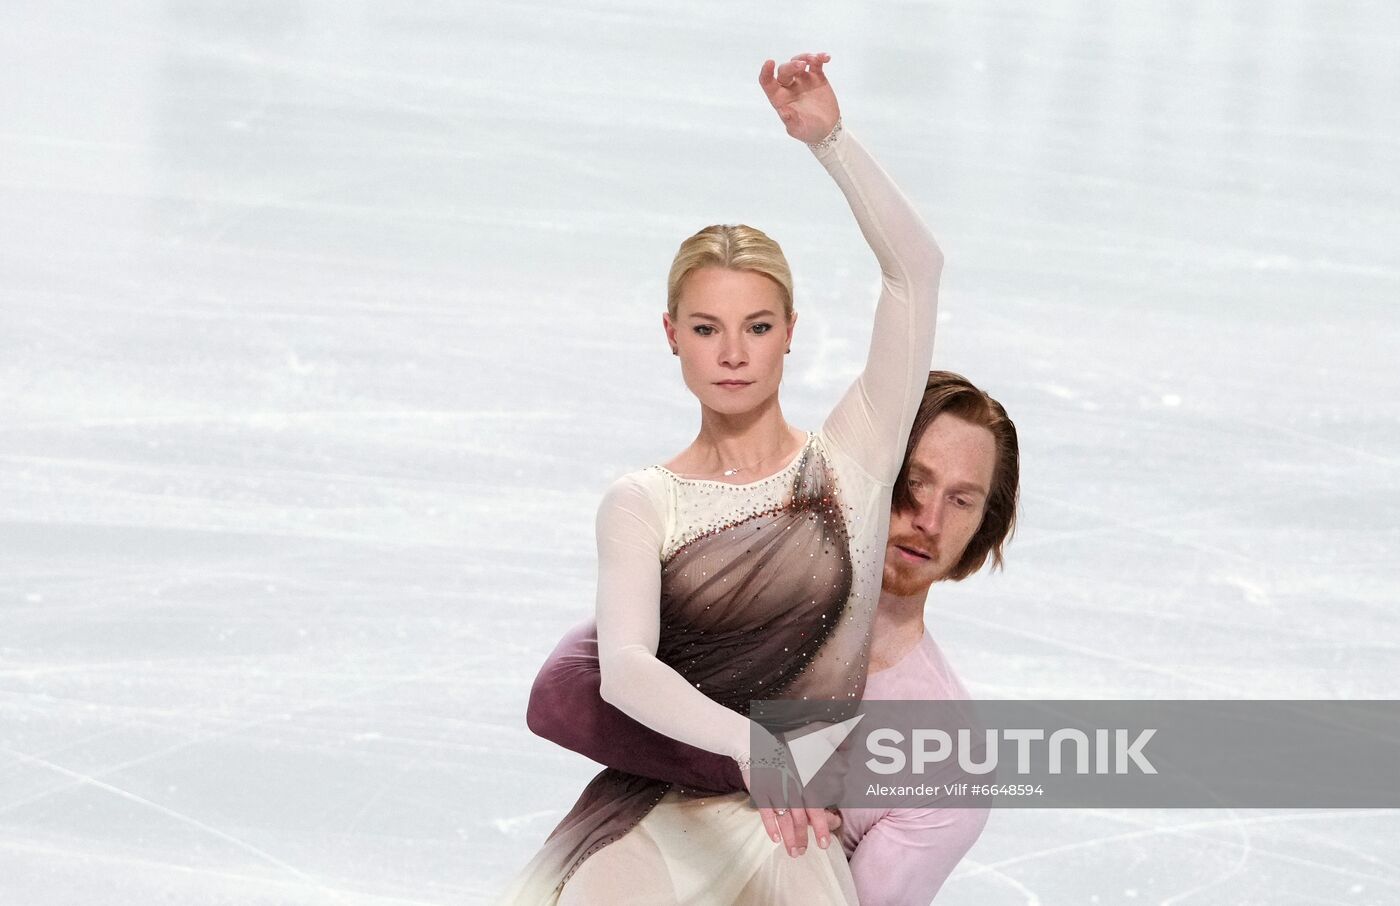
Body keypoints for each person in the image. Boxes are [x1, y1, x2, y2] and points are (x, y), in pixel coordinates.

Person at [497, 51, 943, 904]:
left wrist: (833, 142)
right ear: (672, 333)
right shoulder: (642, 502)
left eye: (757, 325)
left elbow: (915, 272)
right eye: (707, 328)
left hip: (789, 831)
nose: (733, 352)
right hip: (657, 814)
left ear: (789, 332)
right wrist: (758, 750)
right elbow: (625, 669)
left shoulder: (851, 459)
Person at [527, 371, 1020, 905]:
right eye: (914, 483)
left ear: (982, 527)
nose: (928, 519)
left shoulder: (947, 759)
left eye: (962, 500)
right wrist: (751, 761)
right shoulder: (751, 590)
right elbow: (560, 692)